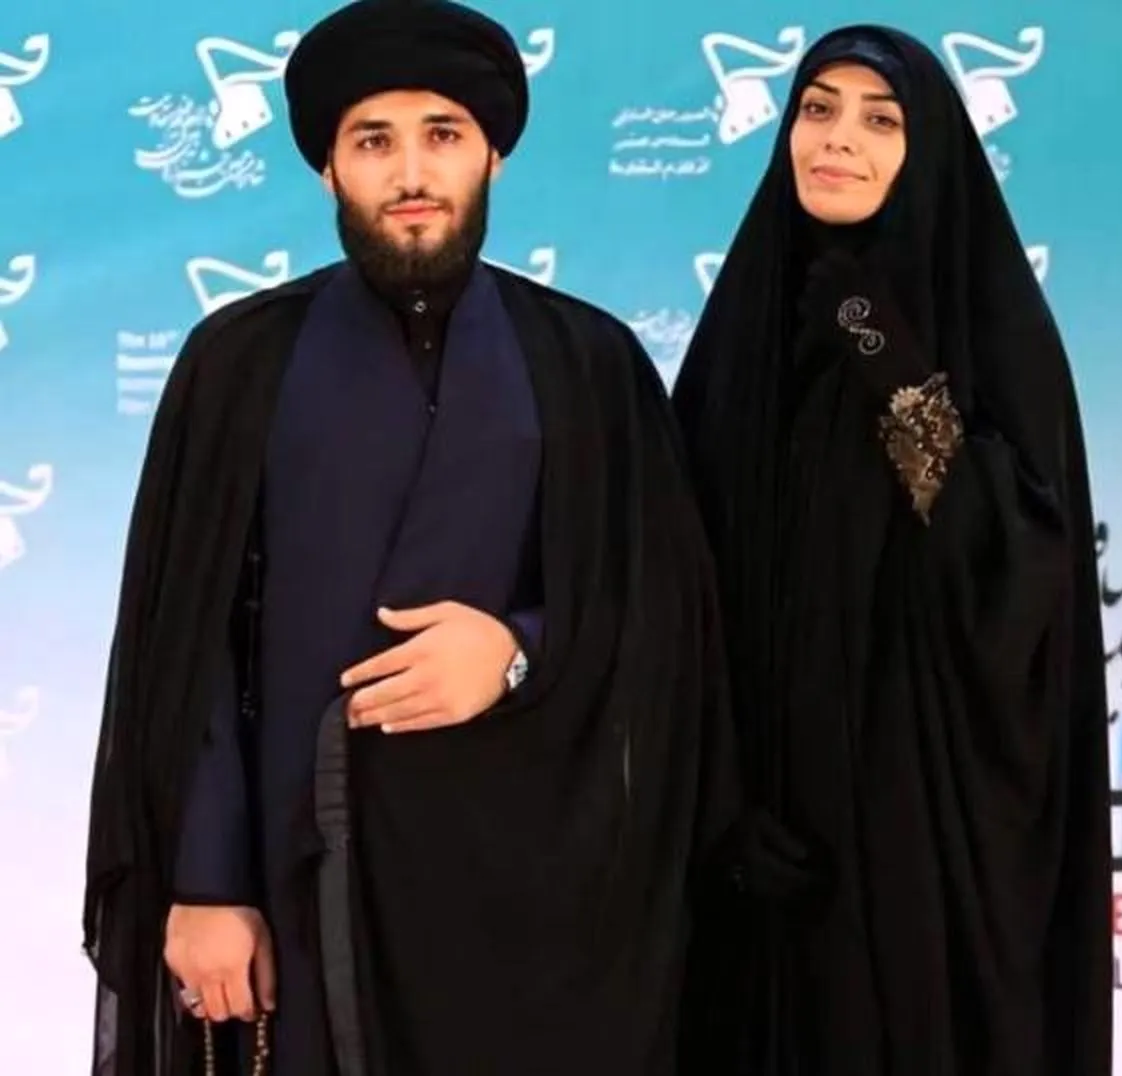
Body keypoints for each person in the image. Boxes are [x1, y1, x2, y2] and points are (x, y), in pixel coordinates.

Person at [81, 2, 734, 1073]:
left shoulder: (591, 363)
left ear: (492, 155)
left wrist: (519, 649)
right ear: (329, 170)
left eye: (443, 134)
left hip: (539, 897)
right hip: (296, 884)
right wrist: (207, 882)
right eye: (374, 141)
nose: (412, 172)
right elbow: (186, 647)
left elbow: (665, 623)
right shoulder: (238, 363)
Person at [672, 25, 1111, 1076]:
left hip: (923, 845)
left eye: (881, 120)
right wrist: (719, 805)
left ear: (931, 153)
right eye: (817, 109)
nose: (837, 139)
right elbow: (678, 596)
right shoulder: (742, 340)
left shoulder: (993, 337)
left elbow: (1009, 574)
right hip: (759, 854)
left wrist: (879, 344)